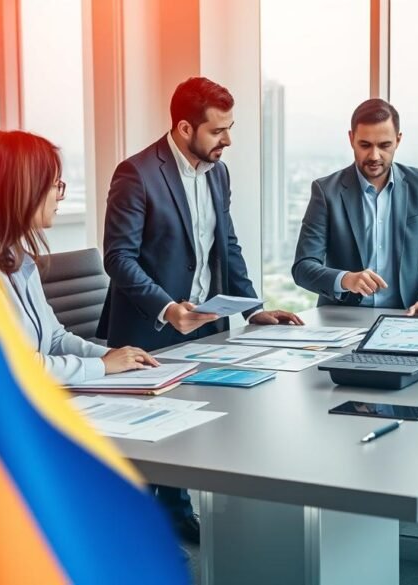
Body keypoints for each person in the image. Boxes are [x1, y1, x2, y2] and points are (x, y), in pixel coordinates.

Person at [97, 76, 303, 544]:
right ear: (185, 127)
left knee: (190, 427)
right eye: (218, 131)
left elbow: (225, 246)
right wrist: (167, 307)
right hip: (149, 329)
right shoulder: (137, 173)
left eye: (231, 128)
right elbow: (118, 258)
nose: (228, 140)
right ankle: (131, 536)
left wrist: (253, 308)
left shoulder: (218, 173)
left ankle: (174, 512)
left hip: (205, 326)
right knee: (148, 440)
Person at [0, 129, 158, 386]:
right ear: (20, 189)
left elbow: (54, 338)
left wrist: (113, 356)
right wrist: (101, 366)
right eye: (55, 184)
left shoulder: (17, 261)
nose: (60, 195)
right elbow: (14, 367)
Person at [291, 98, 418, 316]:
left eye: (384, 145)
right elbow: (303, 267)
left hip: (408, 315)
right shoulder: (326, 191)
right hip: (343, 318)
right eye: (365, 145)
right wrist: (345, 279)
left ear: (398, 140)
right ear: (351, 139)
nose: (374, 156)